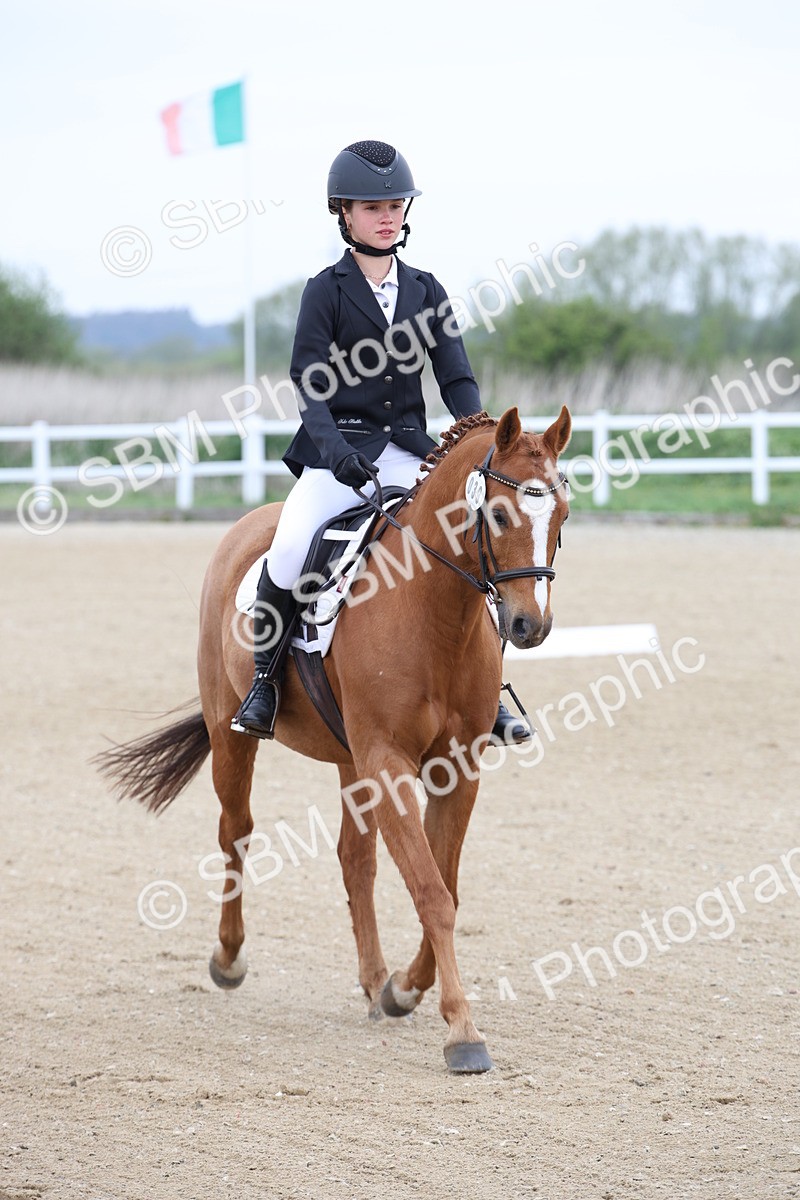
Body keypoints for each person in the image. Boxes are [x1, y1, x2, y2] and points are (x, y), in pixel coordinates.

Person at [231, 139, 530, 745]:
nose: (386, 214)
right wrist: (338, 455)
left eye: (395, 203)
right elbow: (309, 387)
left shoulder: (426, 289)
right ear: (344, 213)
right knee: (289, 550)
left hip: (414, 452)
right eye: (372, 206)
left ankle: (488, 692)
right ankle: (264, 682)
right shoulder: (326, 290)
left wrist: (477, 441)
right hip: (335, 454)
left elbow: (456, 377)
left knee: (473, 542)